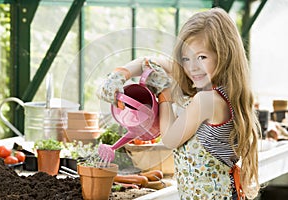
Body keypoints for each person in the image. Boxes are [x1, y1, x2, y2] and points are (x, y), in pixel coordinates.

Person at [97, 7, 260, 200]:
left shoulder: (206, 100)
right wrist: (120, 74)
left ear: (223, 55)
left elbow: (170, 139)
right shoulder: (221, 90)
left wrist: (164, 92)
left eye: (202, 57)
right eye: (186, 58)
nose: (192, 67)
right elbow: (149, 62)